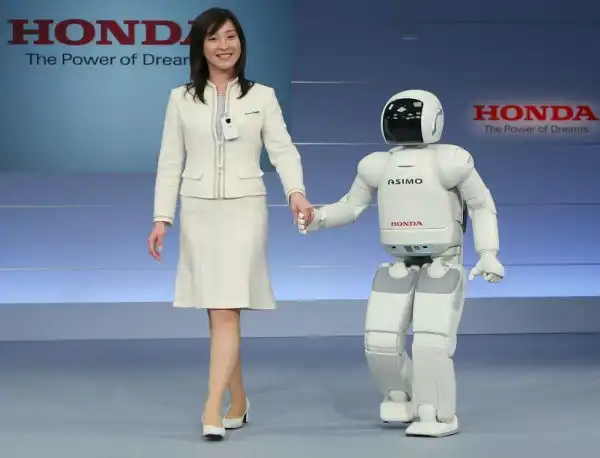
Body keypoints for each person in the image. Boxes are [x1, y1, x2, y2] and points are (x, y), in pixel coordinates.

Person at [147, 7, 314, 441]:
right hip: (198, 209)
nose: (224, 46)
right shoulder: (181, 98)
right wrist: (162, 218)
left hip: (245, 210)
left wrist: (295, 192)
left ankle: (211, 407)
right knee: (218, 309)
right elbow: (170, 161)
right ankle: (238, 400)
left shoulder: (262, 96)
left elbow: (283, 150)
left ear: (241, 42)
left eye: (230, 36)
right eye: (214, 38)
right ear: (200, 46)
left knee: (227, 307)